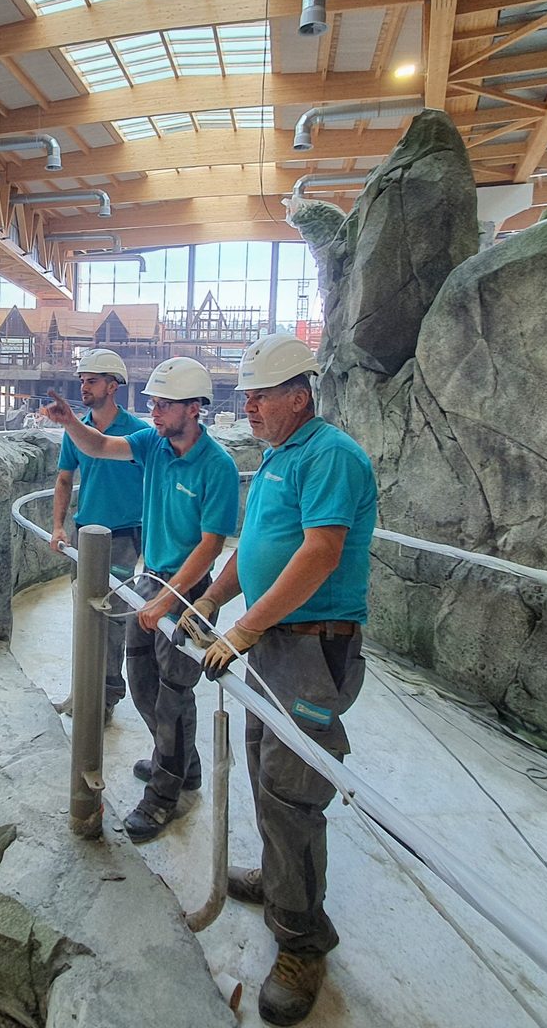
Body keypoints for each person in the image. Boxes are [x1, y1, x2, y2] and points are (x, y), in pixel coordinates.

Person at [185, 333, 377, 1026]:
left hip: (309, 650)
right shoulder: (277, 459)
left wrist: (243, 630)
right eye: (245, 395)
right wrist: (212, 600)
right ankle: (279, 881)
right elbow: (258, 550)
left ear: (299, 397)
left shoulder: (330, 457)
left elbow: (320, 555)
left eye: (258, 396)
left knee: (294, 791)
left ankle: (302, 942)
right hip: (274, 643)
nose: (248, 406)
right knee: (271, 770)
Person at [44, 356, 240, 842]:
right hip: (150, 579)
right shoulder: (152, 443)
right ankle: (181, 764)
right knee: (141, 680)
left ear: (194, 408)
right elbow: (103, 446)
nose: (154, 409)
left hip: (188, 588)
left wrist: (170, 599)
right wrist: (71, 425)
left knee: (174, 694)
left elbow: (210, 544)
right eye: (153, 401)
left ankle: (163, 796)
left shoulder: (217, 467)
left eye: (165, 403)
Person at [50, 349, 145, 724]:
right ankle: (82, 692)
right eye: (82, 381)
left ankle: (104, 698)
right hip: (86, 532)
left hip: (123, 534)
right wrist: (59, 526)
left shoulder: (138, 433)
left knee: (113, 617)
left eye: (91, 380)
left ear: (113, 385)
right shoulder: (77, 429)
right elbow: (63, 478)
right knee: (85, 616)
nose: (84, 387)